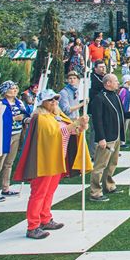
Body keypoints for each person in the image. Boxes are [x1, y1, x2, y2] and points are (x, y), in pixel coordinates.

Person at [13, 89, 90, 239]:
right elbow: (55, 134)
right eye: (51, 100)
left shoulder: (57, 115)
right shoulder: (40, 118)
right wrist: (75, 123)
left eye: (56, 99)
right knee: (39, 192)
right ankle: (33, 226)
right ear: (43, 102)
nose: (54, 102)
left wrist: (80, 127)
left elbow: (70, 131)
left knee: (49, 191)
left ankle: (45, 218)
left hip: (57, 159)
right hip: (44, 161)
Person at [89, 74, 125, 202]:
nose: (118, 83)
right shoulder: (99, 98)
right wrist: (101, 138)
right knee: (100, 165)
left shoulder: (116, 96)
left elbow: (121, 114)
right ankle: (95, 191)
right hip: (106, 137)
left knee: (112, 163)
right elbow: (97, 120)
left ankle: (108, 185)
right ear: (108, 83)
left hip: (116, 135)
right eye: (115, 81)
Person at [0, 81, 27, 201]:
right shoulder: (1, 104)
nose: (14, 90)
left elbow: (25, 115)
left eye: (16, 88)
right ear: (5, 91)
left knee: (9, 163)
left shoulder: (19, 103)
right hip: (4, 136)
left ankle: (5, 187)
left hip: (17, 134)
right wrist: (14, 118)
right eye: (11, 88)